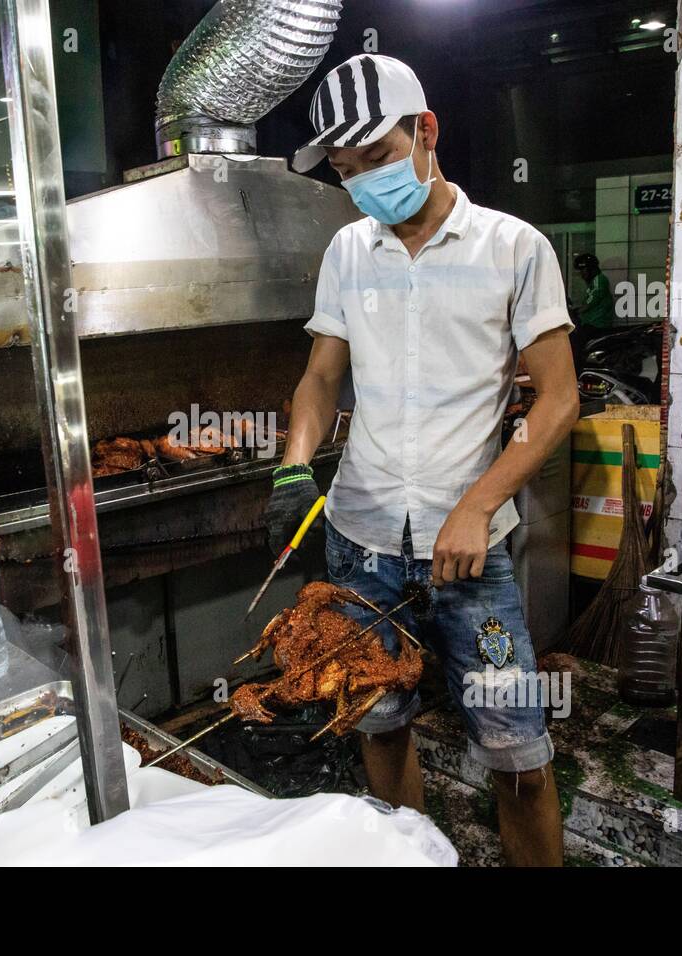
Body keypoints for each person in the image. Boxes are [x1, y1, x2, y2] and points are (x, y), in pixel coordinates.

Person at [266, 54, 579, 866]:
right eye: (345, 171)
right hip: (358, 546)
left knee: (517, 760)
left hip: (468, 557)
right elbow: (322, 376)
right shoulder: (347, 252)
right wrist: (295, 467)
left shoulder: (514, 248)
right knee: (377, 730)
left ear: (425, 131)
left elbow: (558, 400)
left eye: (376, 159)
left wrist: (479, 503)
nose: (364, 182)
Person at [571, 253, 615, 366]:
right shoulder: (593, 282)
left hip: (595, 325)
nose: (581, 274)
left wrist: (576, 311)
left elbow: (591, 302)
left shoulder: (599, 280)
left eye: (583, 270)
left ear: (591, 269)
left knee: (576, 347)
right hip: (591, 324)